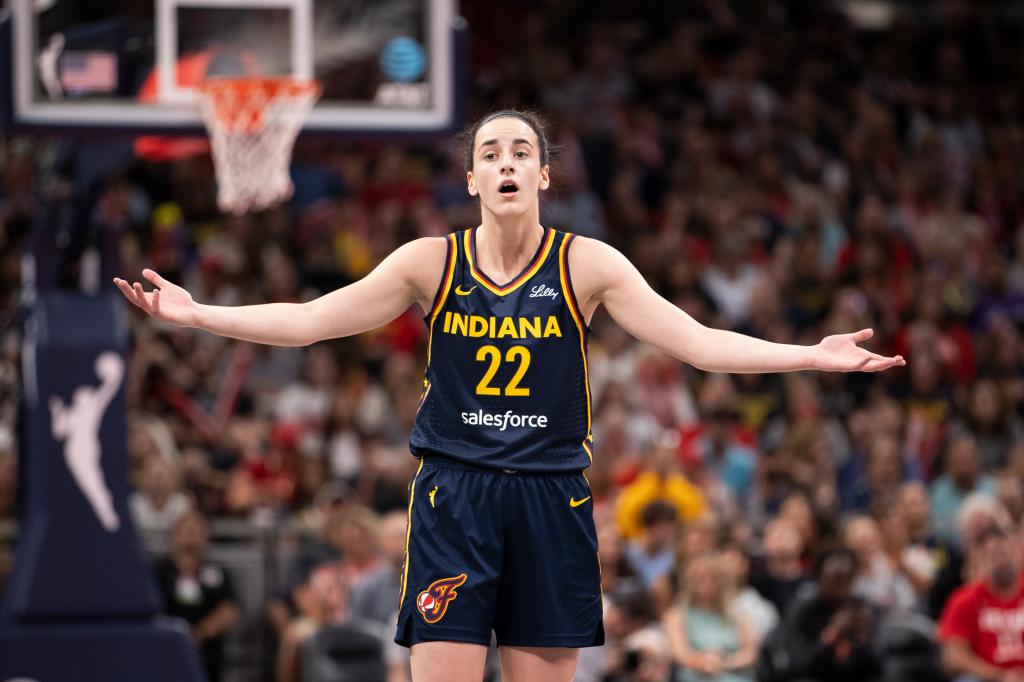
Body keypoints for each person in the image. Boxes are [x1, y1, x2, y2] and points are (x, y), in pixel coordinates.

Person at [114, 109, 905, 682]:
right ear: (471, 179)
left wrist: (809, 355)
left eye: (521, 150)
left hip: (551, 499)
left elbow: (697, 343)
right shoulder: (429, 262)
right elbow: (314, 320)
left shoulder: (588, 264)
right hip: (454, 498)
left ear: (543, 175)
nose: (506, 161)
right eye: (490, 150)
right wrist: (198, 315)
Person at [939, 522, 1024, 682]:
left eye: (1007, 552)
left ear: (1018, 552)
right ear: (982, 560)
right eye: (994, 555)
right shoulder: (964, 600)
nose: (1002, 560)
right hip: (988, 677)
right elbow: (953, 657)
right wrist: (999, 675)